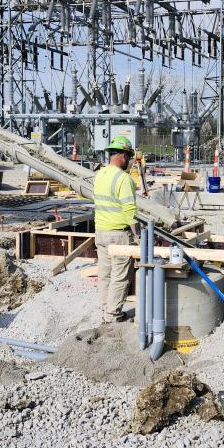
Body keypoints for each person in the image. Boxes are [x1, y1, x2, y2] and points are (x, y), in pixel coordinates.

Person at [93, 136, 140, 323]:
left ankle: (105, 310)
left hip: (101, 232)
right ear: (122, 156)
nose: (129, 161)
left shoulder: (100, 175)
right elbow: (130, 211)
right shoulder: (124, 179)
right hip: (119, 235)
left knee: (105, 274)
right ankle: (113, 315)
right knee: (120, 276)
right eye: (128, 157)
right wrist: (137, 236)